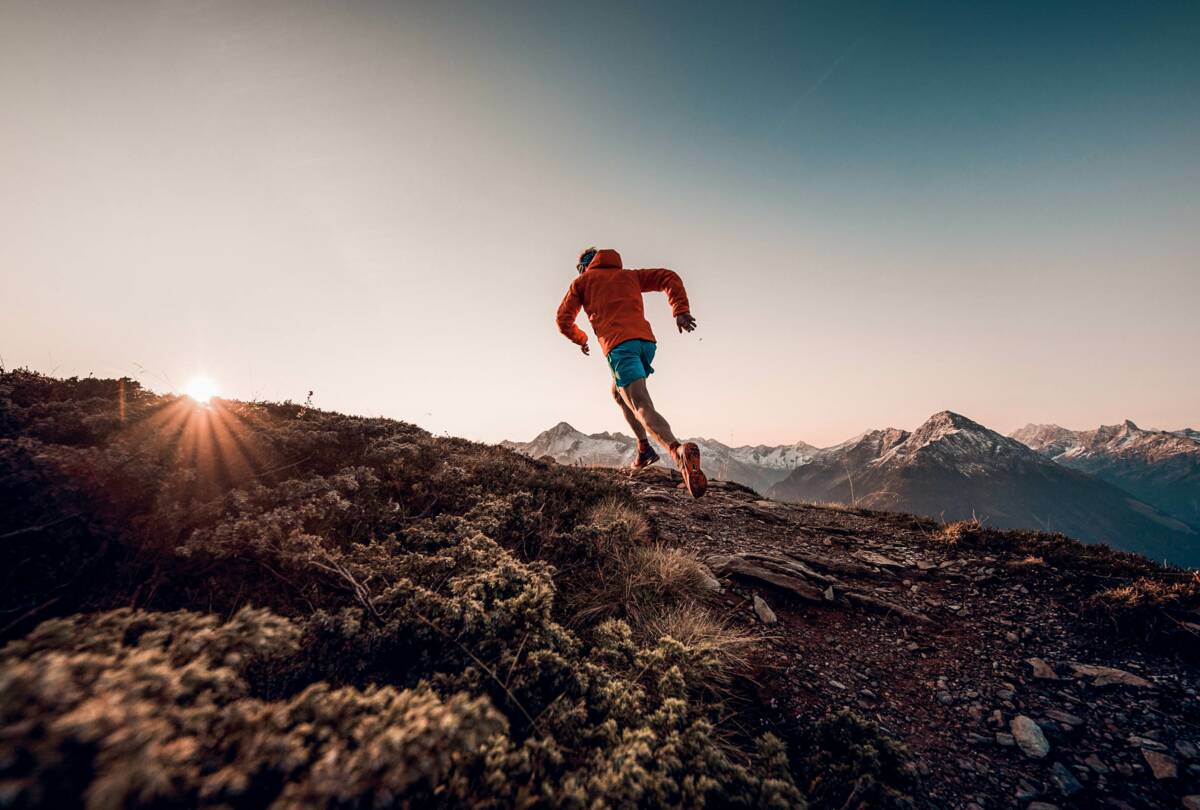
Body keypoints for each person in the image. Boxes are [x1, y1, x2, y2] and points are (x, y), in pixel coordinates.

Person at [556, 246, 707, 498]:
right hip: (646, 344)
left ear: (584, 266)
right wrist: (680, 310)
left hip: (619, 346)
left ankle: (677, 452)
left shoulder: (582, 282)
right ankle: (644, 449)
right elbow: (668, 276)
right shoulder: (629, 275)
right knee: (618, 394)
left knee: (640, 404)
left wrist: (580, 338)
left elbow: (563, 319)